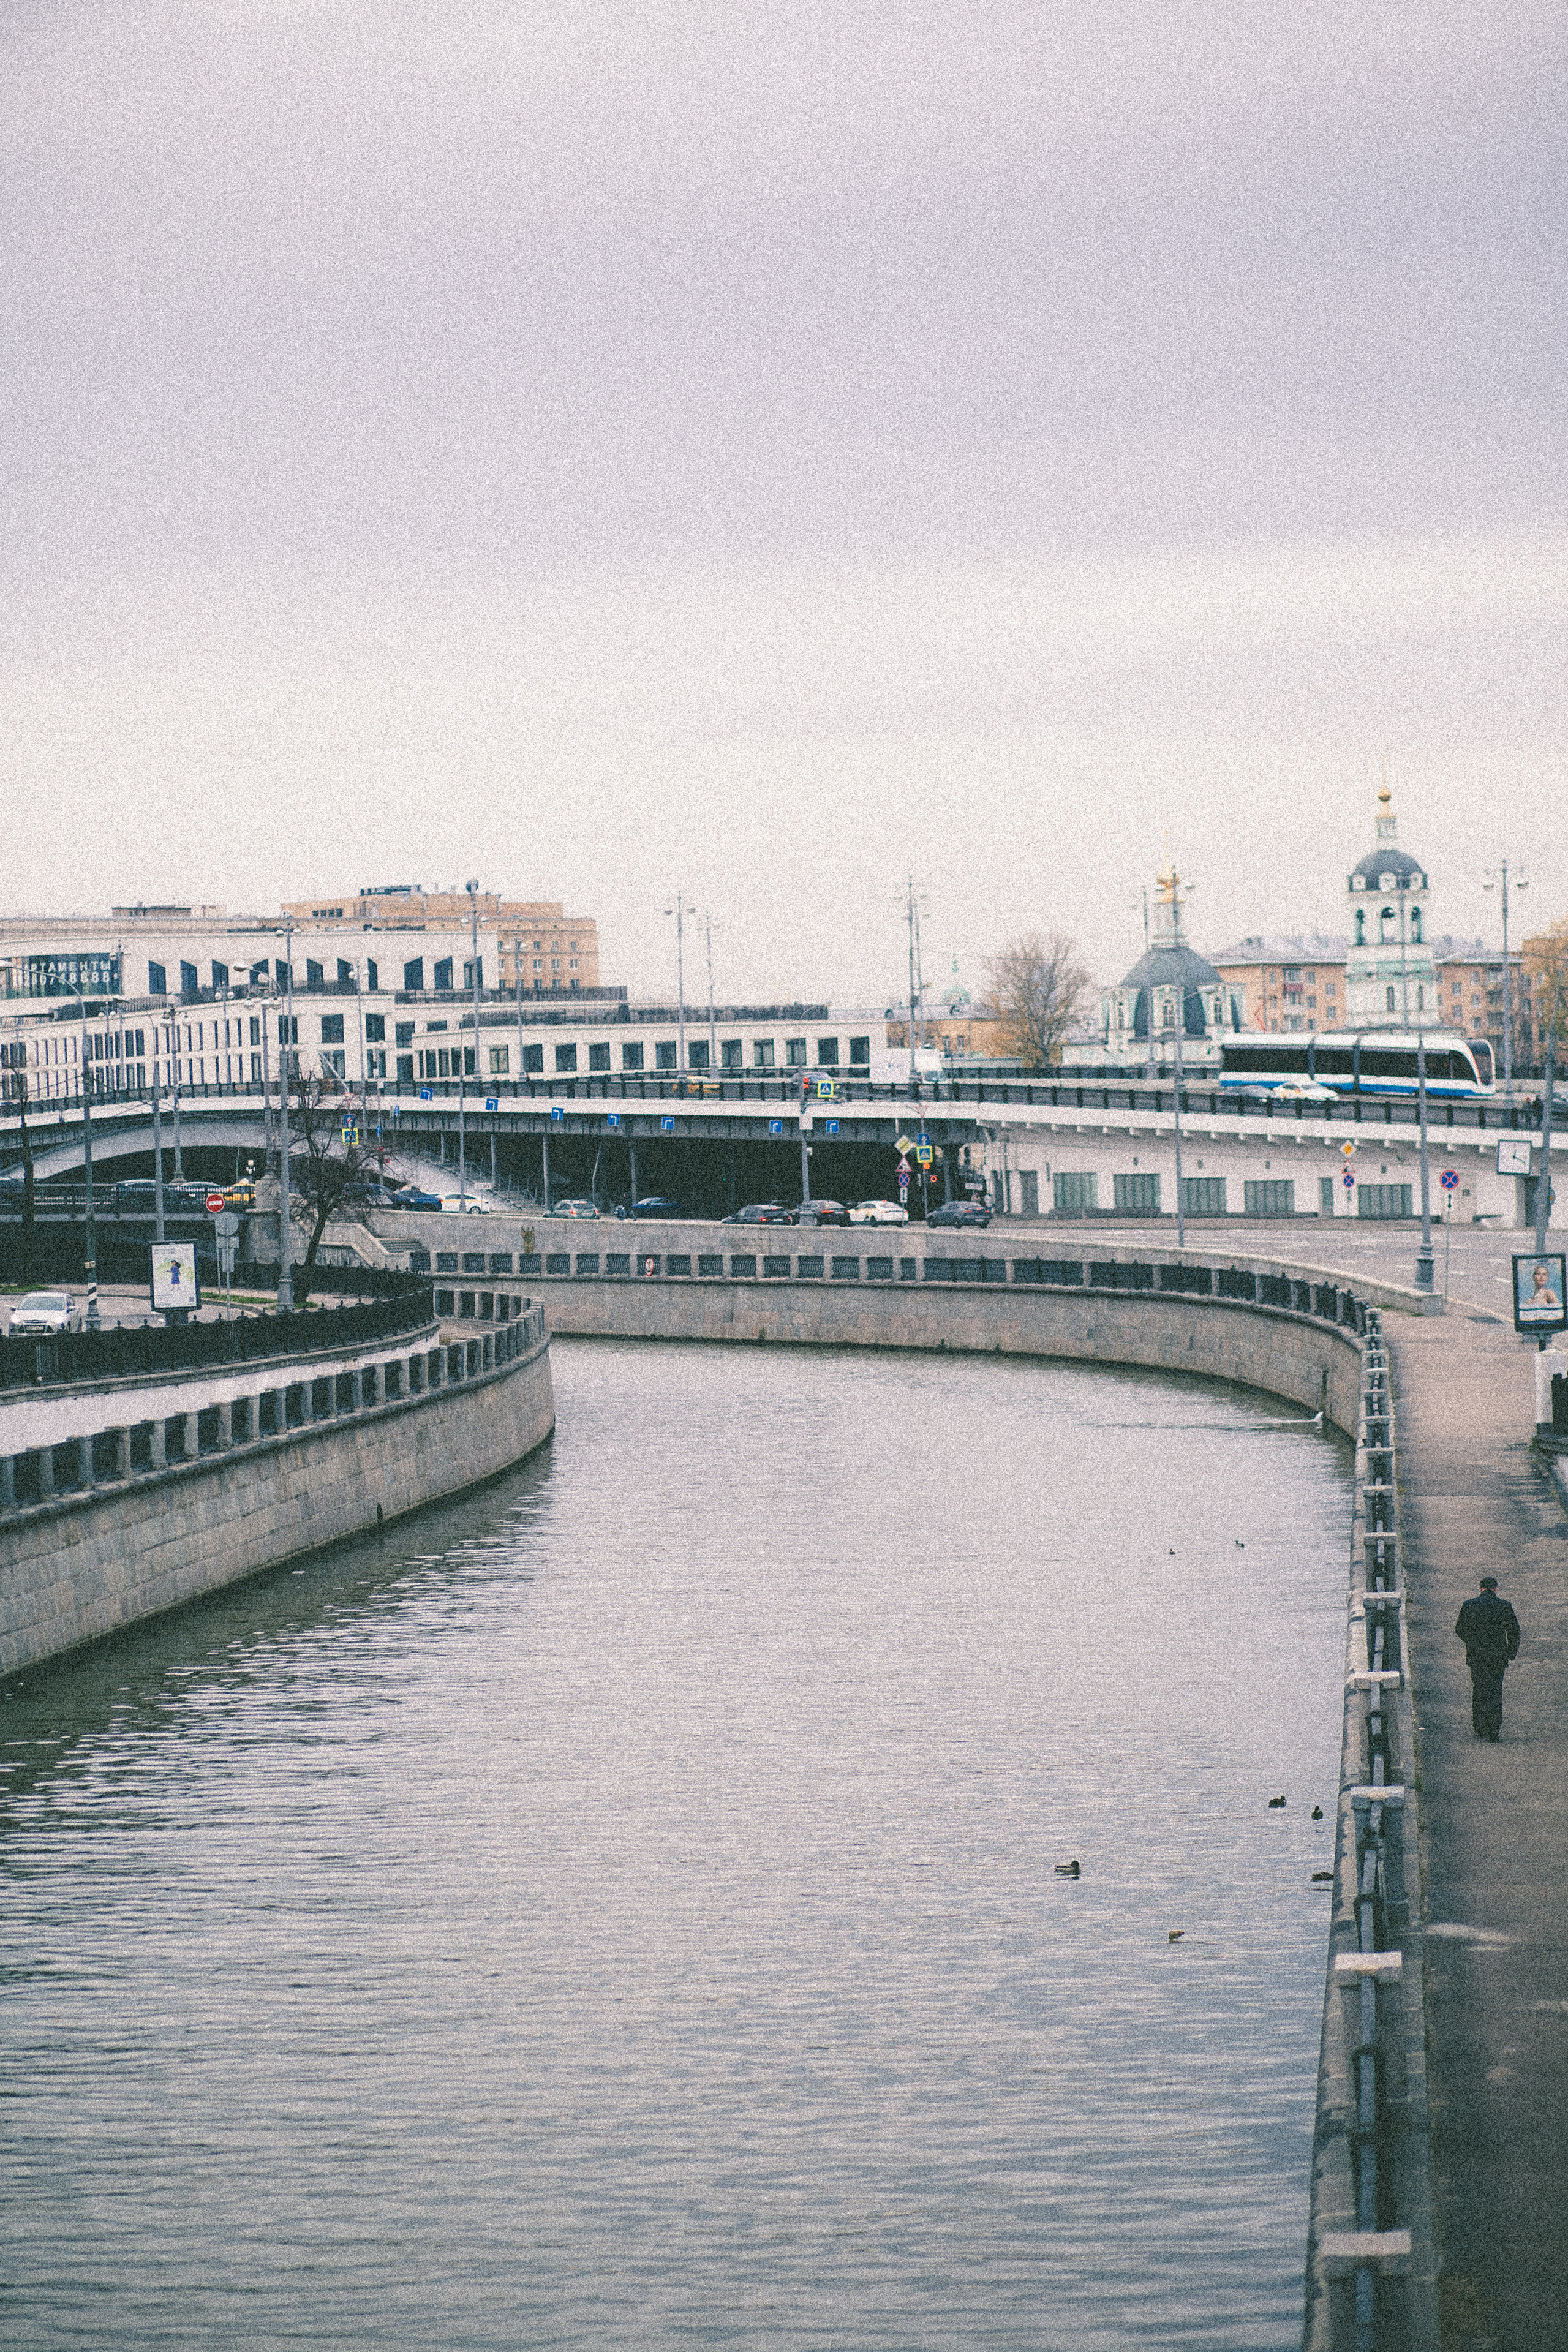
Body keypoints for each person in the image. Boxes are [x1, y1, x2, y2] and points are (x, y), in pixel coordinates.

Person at [1455, 1576, 1522, 1742]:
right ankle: (1493, 1730)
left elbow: (1460, 1629)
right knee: (1495, 1691)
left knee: (1479, 1689)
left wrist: (1472, 1642)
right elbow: (1514, 1632)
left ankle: (1479, 1726)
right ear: (1496, 1589)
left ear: (1480, 1588)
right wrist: (1510, 1653)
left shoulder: (1469, 1605)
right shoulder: (1505, 1606)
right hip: (1498, 1656)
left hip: (1477, 1656)